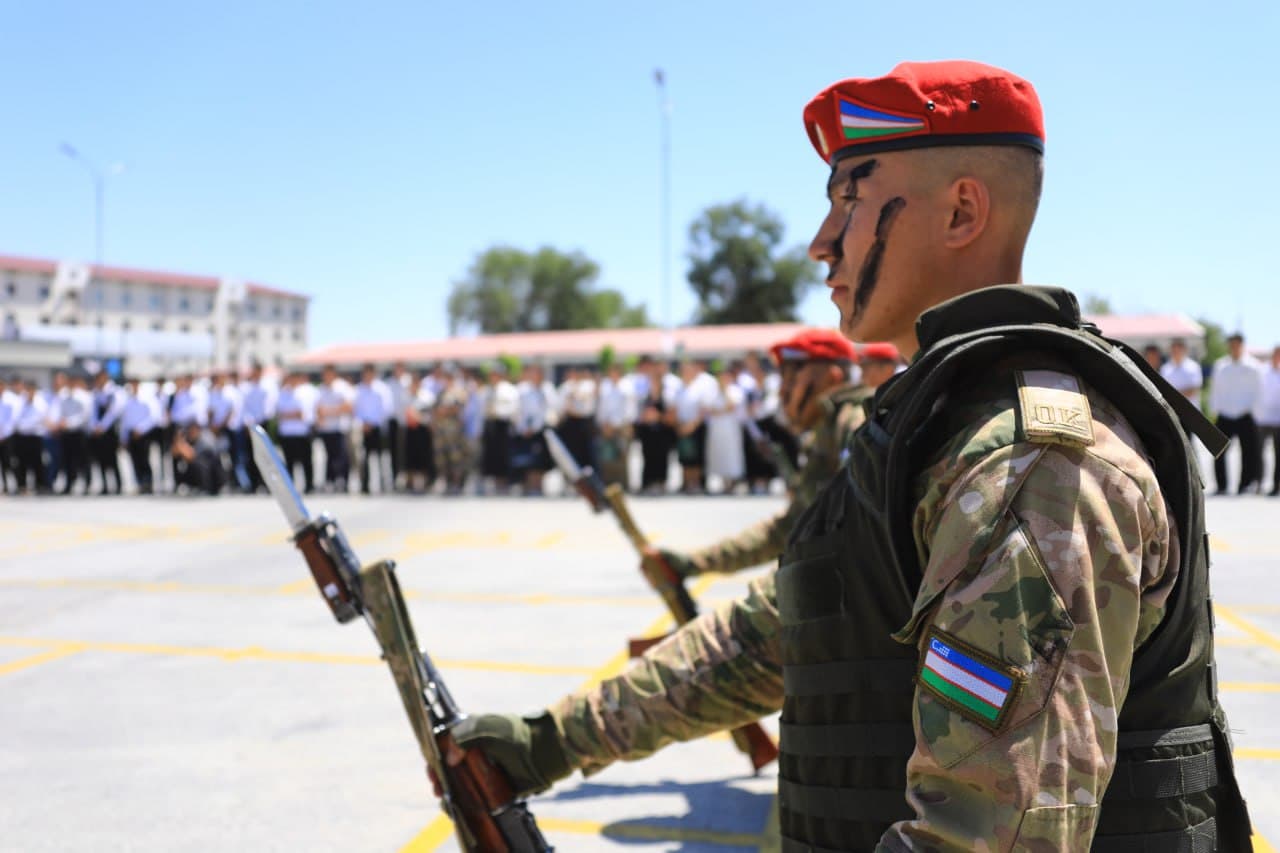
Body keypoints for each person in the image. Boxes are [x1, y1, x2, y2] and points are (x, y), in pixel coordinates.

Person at [445, 61, 1251, 849]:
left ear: (962, 212)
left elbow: (991, 835)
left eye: (850, 199)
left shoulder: (1032, 462)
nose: (821, 242)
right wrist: (547, 742)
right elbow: (779, 631)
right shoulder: (931, 429)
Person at [644, 328, 871, 579]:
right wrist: (694, 563)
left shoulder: (855, 427)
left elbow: (856, 548)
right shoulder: (828, 431)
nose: (783, 391)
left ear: (832, 377)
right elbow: (787, 528)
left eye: (792, 378)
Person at [1210, 333, 1264, 495]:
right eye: (1231, 344)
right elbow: (1216, 389)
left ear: (1242, 345)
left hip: (1245, 414)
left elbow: (1259, 391)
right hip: (1225, 413)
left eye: (1236, 344)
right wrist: (1215, 410)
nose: (1233, 348)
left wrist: (1255, 412)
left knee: (1248, 451)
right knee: (1218, 451)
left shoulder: (1254, 366)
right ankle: (1222, 485)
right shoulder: (1220, 366)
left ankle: (1245, 484)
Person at [633, 356, 676, 495]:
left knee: (662, 458)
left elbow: (671, 414)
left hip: (662, 431)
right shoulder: (643, 392)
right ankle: (647, 483)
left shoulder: (668, 392)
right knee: (647, 457)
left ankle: (661, 483)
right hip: (647, 432)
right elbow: (637, 412)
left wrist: (658, 416)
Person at [702, 364, 746, 492]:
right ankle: (723, 481)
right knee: (718, 454)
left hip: (730, 429)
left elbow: (731, 406)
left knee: (731, 454)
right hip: (716, 429)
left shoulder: (734, 390)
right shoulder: (712, 391)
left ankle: (732, 481)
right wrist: (721, 410)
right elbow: (708, 409)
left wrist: (725, 391)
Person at [673, 360, 713, 493]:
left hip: (696, 427)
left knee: (696, 457)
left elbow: (704, 410)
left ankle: (695, 483)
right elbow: (674, 409)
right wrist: (680, 425)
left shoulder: (700, 387)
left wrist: (693, 425)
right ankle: (685, 483)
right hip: (681, 426)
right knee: (684, 457)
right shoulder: (678, 388)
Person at [479, 364, 518, 494]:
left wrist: (499, 411)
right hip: (490, 424)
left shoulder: (509, 390)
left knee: (503, 454)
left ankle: (504, 483)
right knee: (490, 455)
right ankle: (493, 483)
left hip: (503, 424)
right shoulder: (486, 390)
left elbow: (513, 408)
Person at [315, 364, 354, 493]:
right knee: (329, 456)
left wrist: (329, 412)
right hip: (326, 428)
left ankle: (343, 481)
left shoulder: (342, 387)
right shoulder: (321, 388)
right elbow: (318, 409)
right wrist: (325, 413)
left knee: (342, 456)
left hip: (340, 427)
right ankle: (330, 481)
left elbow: (348, 406)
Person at [275, 371, 315, 493]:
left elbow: (301, 414)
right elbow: (279, 414)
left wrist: (289, 414)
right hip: (287, 433)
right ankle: (290, 486)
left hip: (301, 432)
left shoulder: (304, 393)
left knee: (306, 461)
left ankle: (309, 485)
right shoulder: (282, 394)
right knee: (289, 461)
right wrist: (291, 414)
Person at [594, 363, 633, 488]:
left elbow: (629, 409)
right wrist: (604, 424)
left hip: (621, 427)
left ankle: (623, 485)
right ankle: (608, 484)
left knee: (622, 456)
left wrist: (620, 425)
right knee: (607, 457)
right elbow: (600, 408)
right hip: (606, 427)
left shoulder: (627, 386)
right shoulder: (604, 387)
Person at [353, 363, 388, 494]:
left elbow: (386, 408)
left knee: (381, 457)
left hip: (377, 427)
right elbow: (356, 409)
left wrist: (373, 422)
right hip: (364, 428)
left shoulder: (381, 389)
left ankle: (383, 484)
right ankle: (365, 485)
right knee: (364, 457)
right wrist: (363, 423)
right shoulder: (359, 389)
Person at [56, 373, 93, 495]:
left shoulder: (84, 397)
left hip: (79, 433)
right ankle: (69, 484)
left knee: (82, 461)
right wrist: (62, 423)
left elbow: (84, 416)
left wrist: (69, 423)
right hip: (67, 433)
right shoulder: (63, 397)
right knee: (67, 461)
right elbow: (61, 413)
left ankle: (87, 484)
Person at [89, 371, 124, 495]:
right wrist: (94, 427)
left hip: (110, 431)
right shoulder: (96, 393)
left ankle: (118, 485)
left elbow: (114, 412)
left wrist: (102, 426)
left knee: (112, 460)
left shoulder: (115, 392)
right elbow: (93, 413)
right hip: (98, 432)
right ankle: (104, 485)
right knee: (100, 460)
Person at [118, 378, 155, 494]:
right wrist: (123, 437)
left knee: (145, 459)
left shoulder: (146, 399)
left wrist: (141, 429)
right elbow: (125, 421)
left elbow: (153, 417)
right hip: (131, 434)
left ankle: (148, 484)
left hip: (143, 434)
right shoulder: (127, 401)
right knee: (135, 460)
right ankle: (139, 483)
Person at [403, 372, 436, 494]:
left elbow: (430, 414)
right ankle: (410, 482)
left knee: (424, 456)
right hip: (411, 429)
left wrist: (419, 417)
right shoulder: (406, 396)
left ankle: (426, 481)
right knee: (410, 457)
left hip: (423, 429)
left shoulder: (427, 396)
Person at [171, 422, 226, 496]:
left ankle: (206, 488)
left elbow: (191, 456)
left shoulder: (205, 439)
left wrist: (183, 446)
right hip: (199, 470)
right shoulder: (189, 439)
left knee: (199, 464)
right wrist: (179, 441)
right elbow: (174, 452)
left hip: (211, 472)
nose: (191, 432)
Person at [1259, 345, 1280, 497]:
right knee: (1259, 453)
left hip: (1278, 419)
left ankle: (1276, 485)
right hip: (1263, 418)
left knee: (1278, 455)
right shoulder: (1263, 371)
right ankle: (1259, 482)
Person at [1160, 337, 1203, 407]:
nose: (1176, 351)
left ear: (1184, 350)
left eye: (1179, 348)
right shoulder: (1165, 369)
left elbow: (1194, 390)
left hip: (1190, 410)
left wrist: (1172, 396)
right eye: (1174, 349)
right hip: (1172, 410)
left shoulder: (1194, 367)